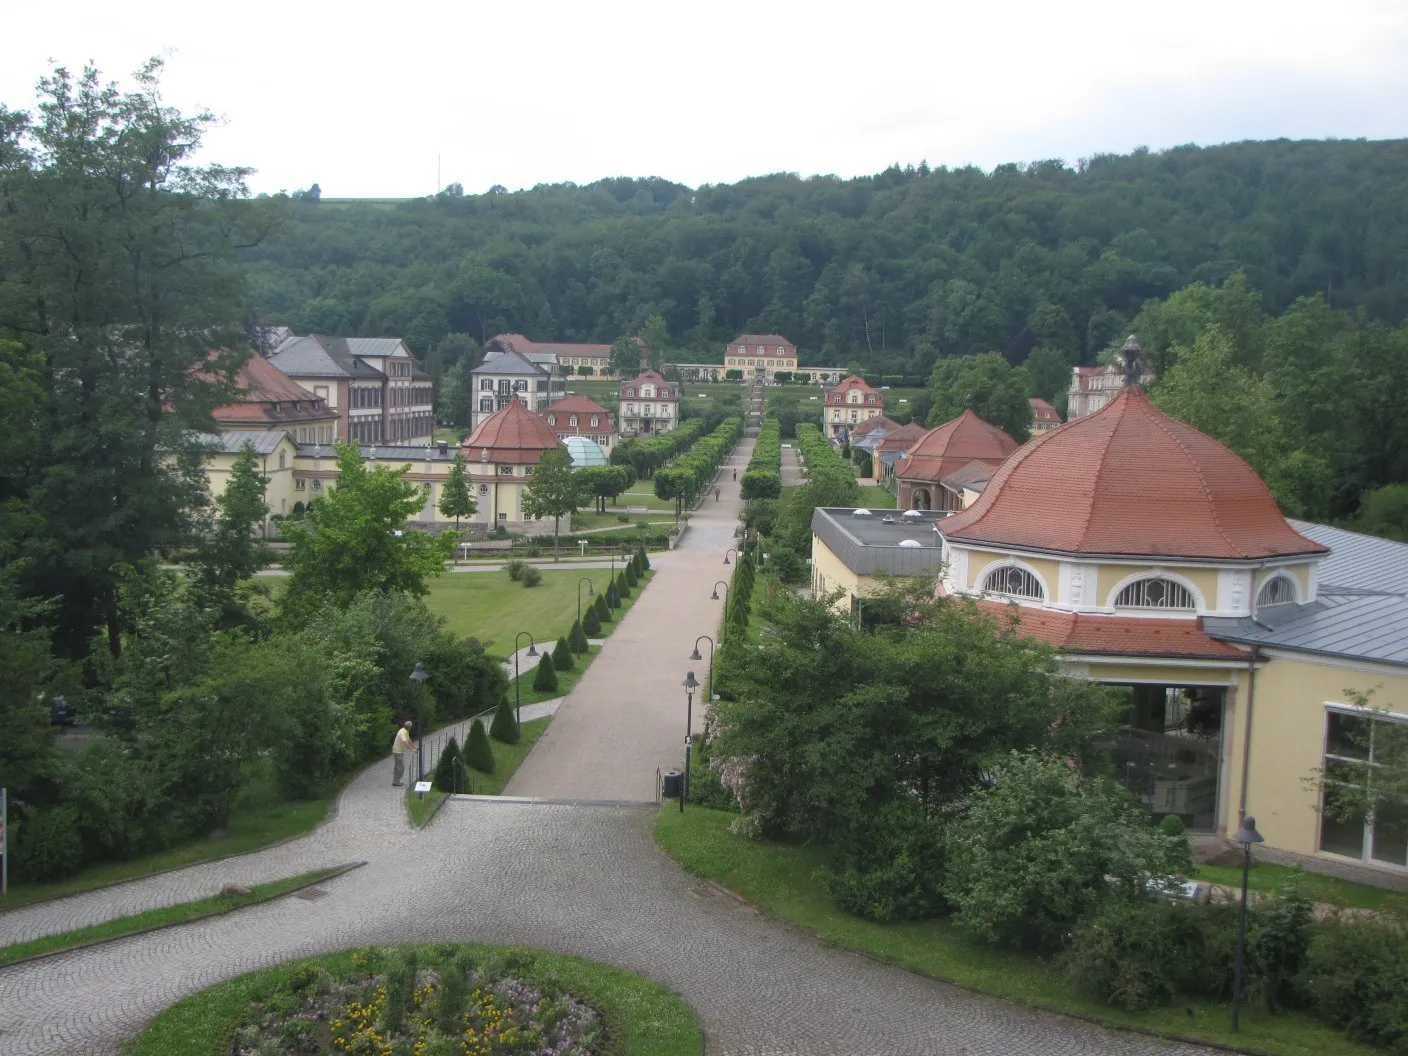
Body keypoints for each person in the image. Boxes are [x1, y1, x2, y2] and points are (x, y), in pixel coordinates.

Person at [391, 720, 415, 786]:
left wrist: (413, 746)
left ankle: (395, 781)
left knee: (397, 767)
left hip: (399, 751)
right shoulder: (402, 732)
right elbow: (405, 741)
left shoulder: (405, 731)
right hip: (398, 751)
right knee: (401, 767)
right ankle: (396, 782)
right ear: (409, 727)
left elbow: (408, 739)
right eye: (411, 727)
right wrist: (412, 749)